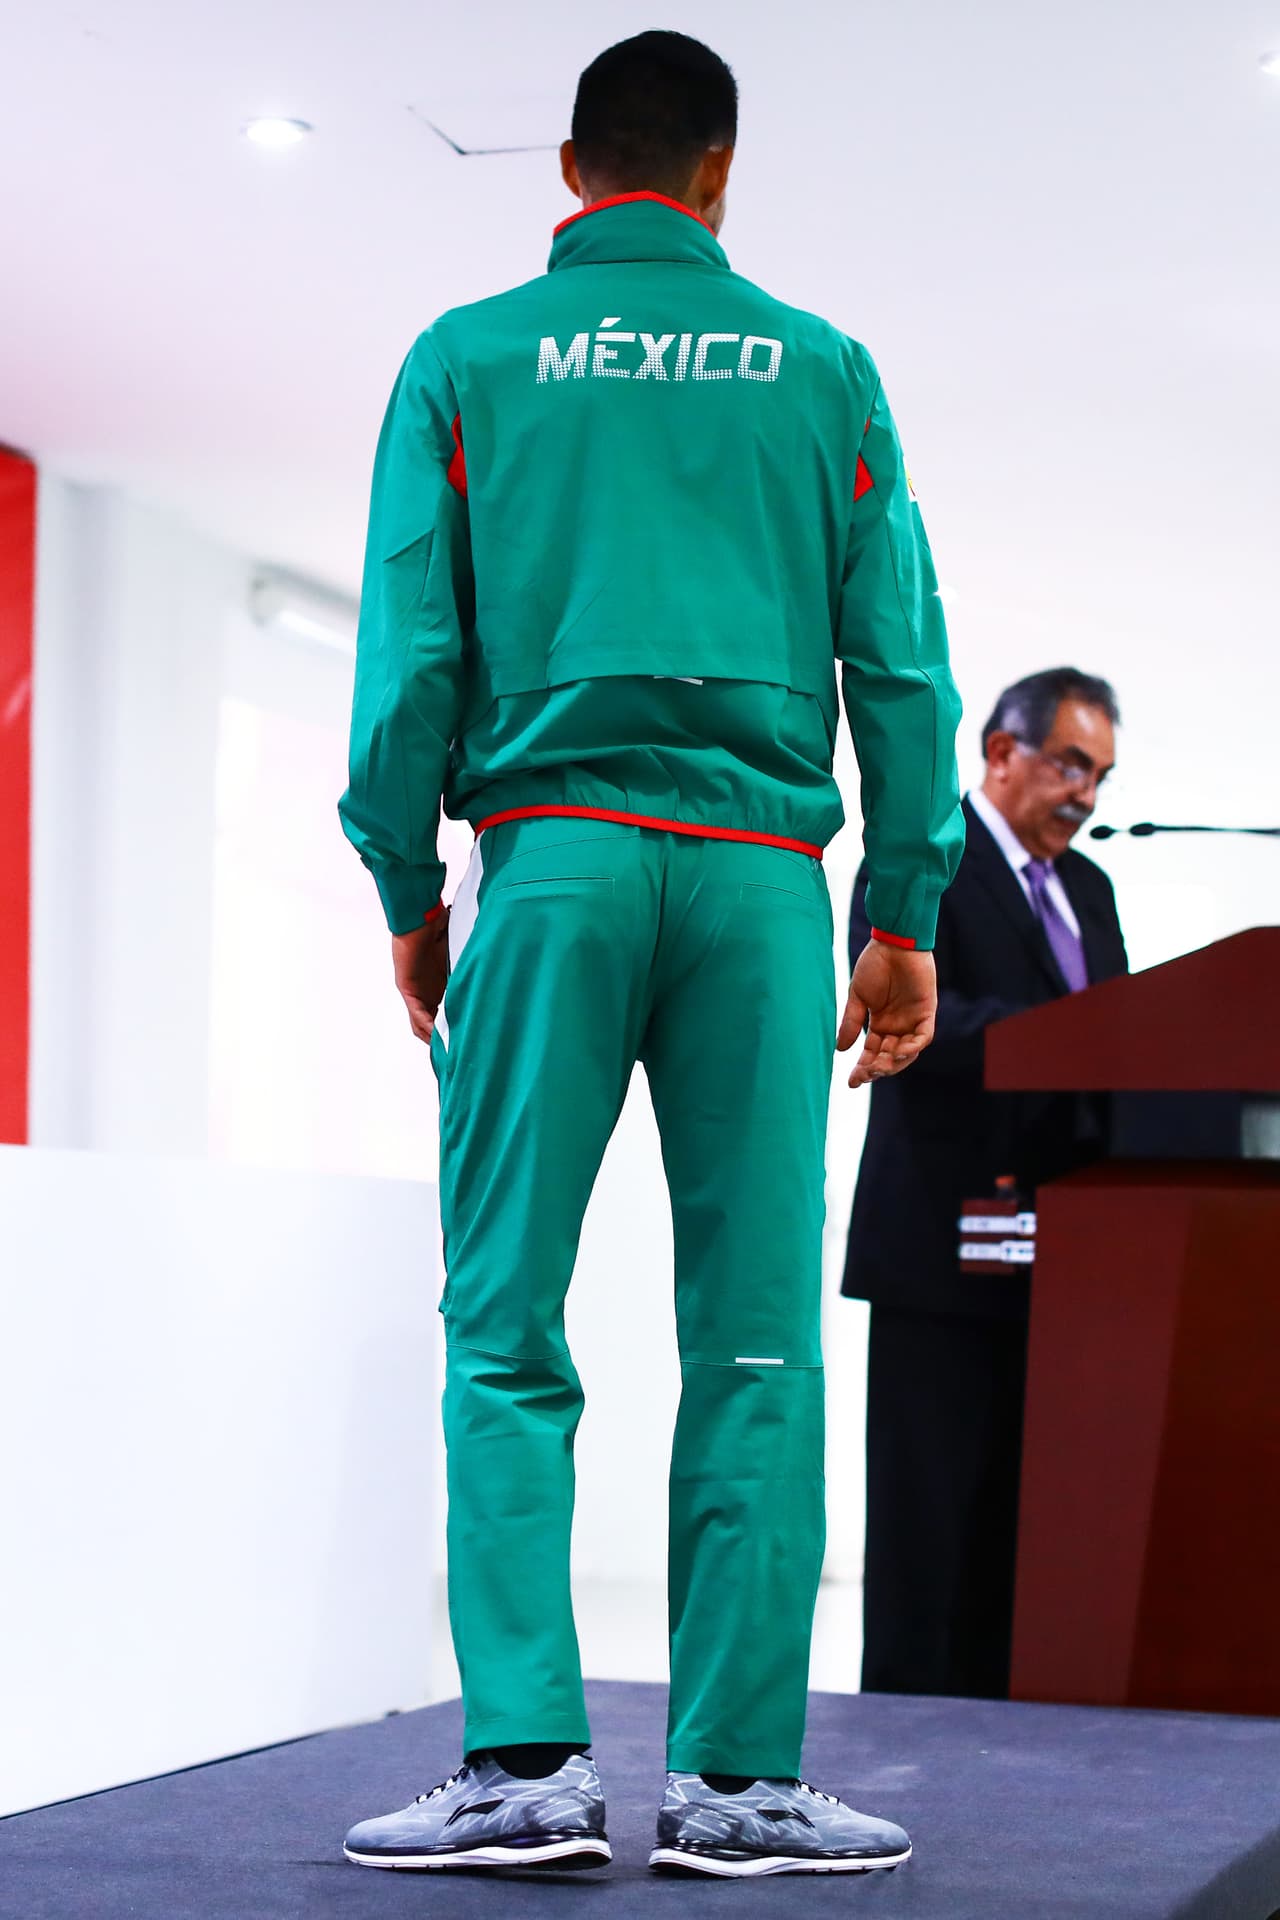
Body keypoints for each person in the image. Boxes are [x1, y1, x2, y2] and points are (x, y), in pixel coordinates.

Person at [338, 29, 962, 1878]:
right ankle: (740, 1787)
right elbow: (905, 664)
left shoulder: (466, 357)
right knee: (761, 1340)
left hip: (552, 868)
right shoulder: (824, 367)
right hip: (766, 885)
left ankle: (526, 1769)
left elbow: (408, 660)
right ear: (719, 175)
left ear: (572, 172)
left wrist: (404, 885)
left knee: (504, 1323)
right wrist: (905, 910)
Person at [843, 666, 1129, 1701]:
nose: (1084, 794)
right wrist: (1060, 1038)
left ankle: (1007, 1736)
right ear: (999, 753)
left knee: (1023, 1522)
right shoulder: (922, 865)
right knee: (927, 1524)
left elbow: (1119, 1042)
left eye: (1097, 773)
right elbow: (909, 1023)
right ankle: (905, 1742)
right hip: (940, 1245)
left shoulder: (1088, 890)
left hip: (1065, 1256)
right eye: (1067, 763)